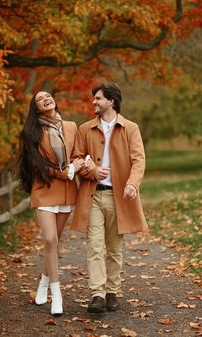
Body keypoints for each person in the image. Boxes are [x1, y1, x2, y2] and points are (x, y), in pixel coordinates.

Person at [71, 82, 148, 313]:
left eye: (98, 98)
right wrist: (93, 172)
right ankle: (97, 294)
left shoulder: (130, 128)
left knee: (114, 248)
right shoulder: (85, 129)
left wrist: (133, 183)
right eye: (94, 98)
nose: (94, 102)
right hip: (92, 195)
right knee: (95, 246)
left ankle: (112, 290)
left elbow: (138, 159)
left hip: (119, 198)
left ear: (111, 101)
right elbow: (76, 158)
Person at [17, 91, 84, 316]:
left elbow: (78, 154)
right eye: (39, 99)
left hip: (66, 192)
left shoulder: (72, 126)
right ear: (36, 109)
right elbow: (37, 164)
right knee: (50, 239)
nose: (46, 98)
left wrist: (77, 165)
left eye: (48, 95)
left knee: (53, 245)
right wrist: (65, 173)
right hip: (44, 188)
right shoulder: (33, 132)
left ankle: (43, 284)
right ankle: (57, 295)